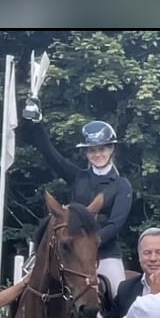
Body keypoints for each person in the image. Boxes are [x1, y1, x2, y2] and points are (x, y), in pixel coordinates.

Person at [22, 97, 132, 299]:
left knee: (117, 293)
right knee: (29, 282)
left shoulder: (121, 185)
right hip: (71, 253)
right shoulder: (78, 177)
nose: (97, 154)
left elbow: (116, 224)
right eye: (92, 150)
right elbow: (51, 155)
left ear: (111, 149)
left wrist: (91, 241)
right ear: (86, 152)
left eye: (102, 149)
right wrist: (37, 124)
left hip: (105, 254)